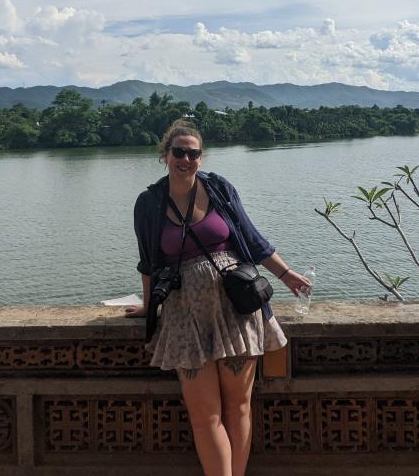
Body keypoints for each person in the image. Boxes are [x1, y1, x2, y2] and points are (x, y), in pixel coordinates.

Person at [125, 119, 311, 476]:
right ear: (164, 156)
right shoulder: (148, 203)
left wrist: (285, 274)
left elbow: (252, 240)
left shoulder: (219, 188)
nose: (186, 159)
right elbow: (148, 262)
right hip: (184, 314)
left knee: (238, 408)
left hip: (234, 308)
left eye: (193, 153)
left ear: (201, 157)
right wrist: (150, 308)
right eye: (178, 152)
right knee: (204, 415)